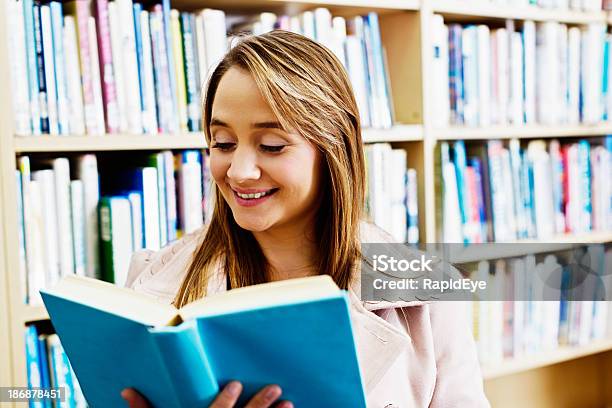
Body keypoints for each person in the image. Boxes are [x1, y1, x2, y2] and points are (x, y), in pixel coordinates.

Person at [121, 30, 490, 408]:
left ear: (333, 149)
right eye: (223, 143)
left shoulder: (431, 298)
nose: (239, 172)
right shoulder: (149, 284)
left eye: (271, 146)